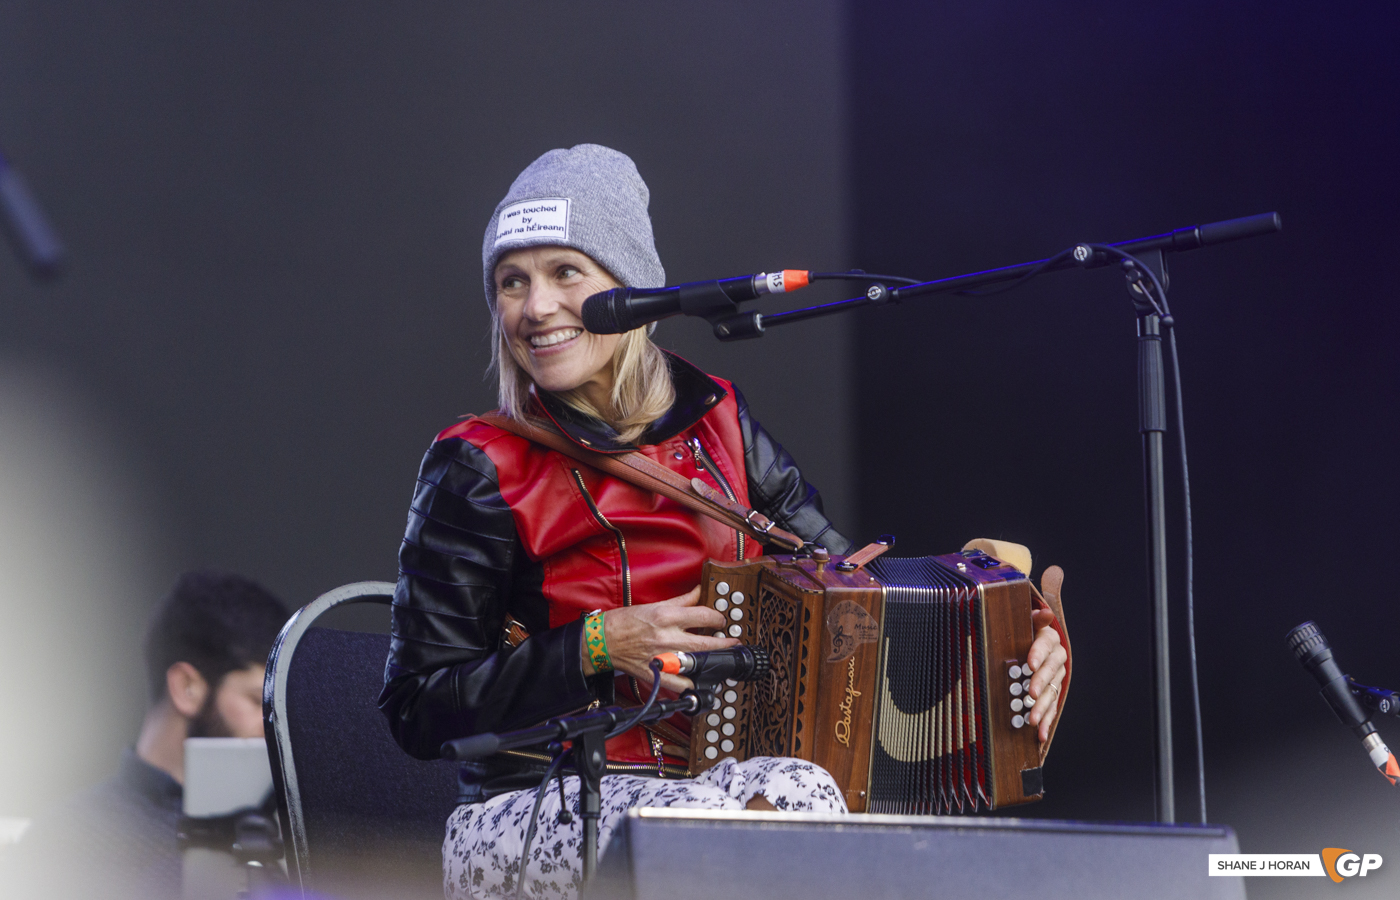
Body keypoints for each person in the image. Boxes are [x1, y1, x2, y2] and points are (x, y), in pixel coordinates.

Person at [379, 144, 1069, 900]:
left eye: (565, 272)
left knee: (806, 803)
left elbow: (855, 593)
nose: (535, 306)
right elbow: (417, 708)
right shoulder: (478, 465)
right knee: (731, 828)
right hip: (533, 806)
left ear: (632, 290)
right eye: (512, 281)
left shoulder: (721, 423)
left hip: (723, 791)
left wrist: (1003, 640)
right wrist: (597, 644)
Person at [1, 570, 289, 900]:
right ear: (187, 688)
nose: (274, 725)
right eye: (258, 701)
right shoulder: (61, 845)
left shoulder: (286, 834)